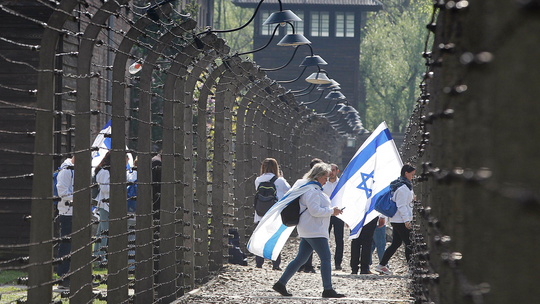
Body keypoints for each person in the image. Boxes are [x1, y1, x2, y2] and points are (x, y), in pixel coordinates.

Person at [272, 163, 345, 298]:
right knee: (326, 258)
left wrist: (331, 210)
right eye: (326, 177)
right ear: (319, 176)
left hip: (310, 229)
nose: (327, 180)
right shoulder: (312, 190)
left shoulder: (311, 188)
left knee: (300, 259)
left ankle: (281, 283)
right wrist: (332, 211)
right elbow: (315, 210)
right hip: (314, 229)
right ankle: (327, 289)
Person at [373, 164, 415, 275]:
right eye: (412, 174)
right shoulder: (403, 188)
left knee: (396, 243)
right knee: (409, 243)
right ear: (406, 173)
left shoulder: (401, 186)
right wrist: (407, 220)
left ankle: (381, 265)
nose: (413, 176)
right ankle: (411, 269)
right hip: (400, 220)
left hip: (397, 219)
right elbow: (401, 205)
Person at [254, 158, 291, 270]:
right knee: (275, 238)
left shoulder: (258, 180)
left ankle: (259, 263)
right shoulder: (279, 181)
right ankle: (275, 264)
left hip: (260, 213)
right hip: (275, 214)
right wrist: (282, 177)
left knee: (260, 238)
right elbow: (289, 191)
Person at [298, 158, 323, 273]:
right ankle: (307, 265)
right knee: (325, 255)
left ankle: (303, 265)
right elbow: (314, 209)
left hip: (305, 219)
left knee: (306, 245)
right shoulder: (313, 187)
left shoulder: (303, 183)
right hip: (313, 218)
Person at [56, 155, 75, 290]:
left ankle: (71, 275)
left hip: (75, 211)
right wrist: (80, 195)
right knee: (66, 244)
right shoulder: (66, 171)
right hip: (67, 212)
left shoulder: (74, 170)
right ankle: (63, 276)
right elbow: (62, 192)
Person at [323, 163, 344, 270]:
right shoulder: (323, 183)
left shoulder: (342, 183)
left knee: (339, 239)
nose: (331, 172)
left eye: (333, 170)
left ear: (337, 171)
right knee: (324, 238)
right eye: (330, 170)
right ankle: (324, 260)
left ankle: (338, 262)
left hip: (338, 214)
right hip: (326, 213)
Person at [93, 152, 111, 263]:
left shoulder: (106, 171)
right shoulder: (104, 171)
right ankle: (102, 256)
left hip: (107, 204)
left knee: (100, 232)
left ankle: (96, 255)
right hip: (105, 205)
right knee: (105, 231)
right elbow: (105, 189)